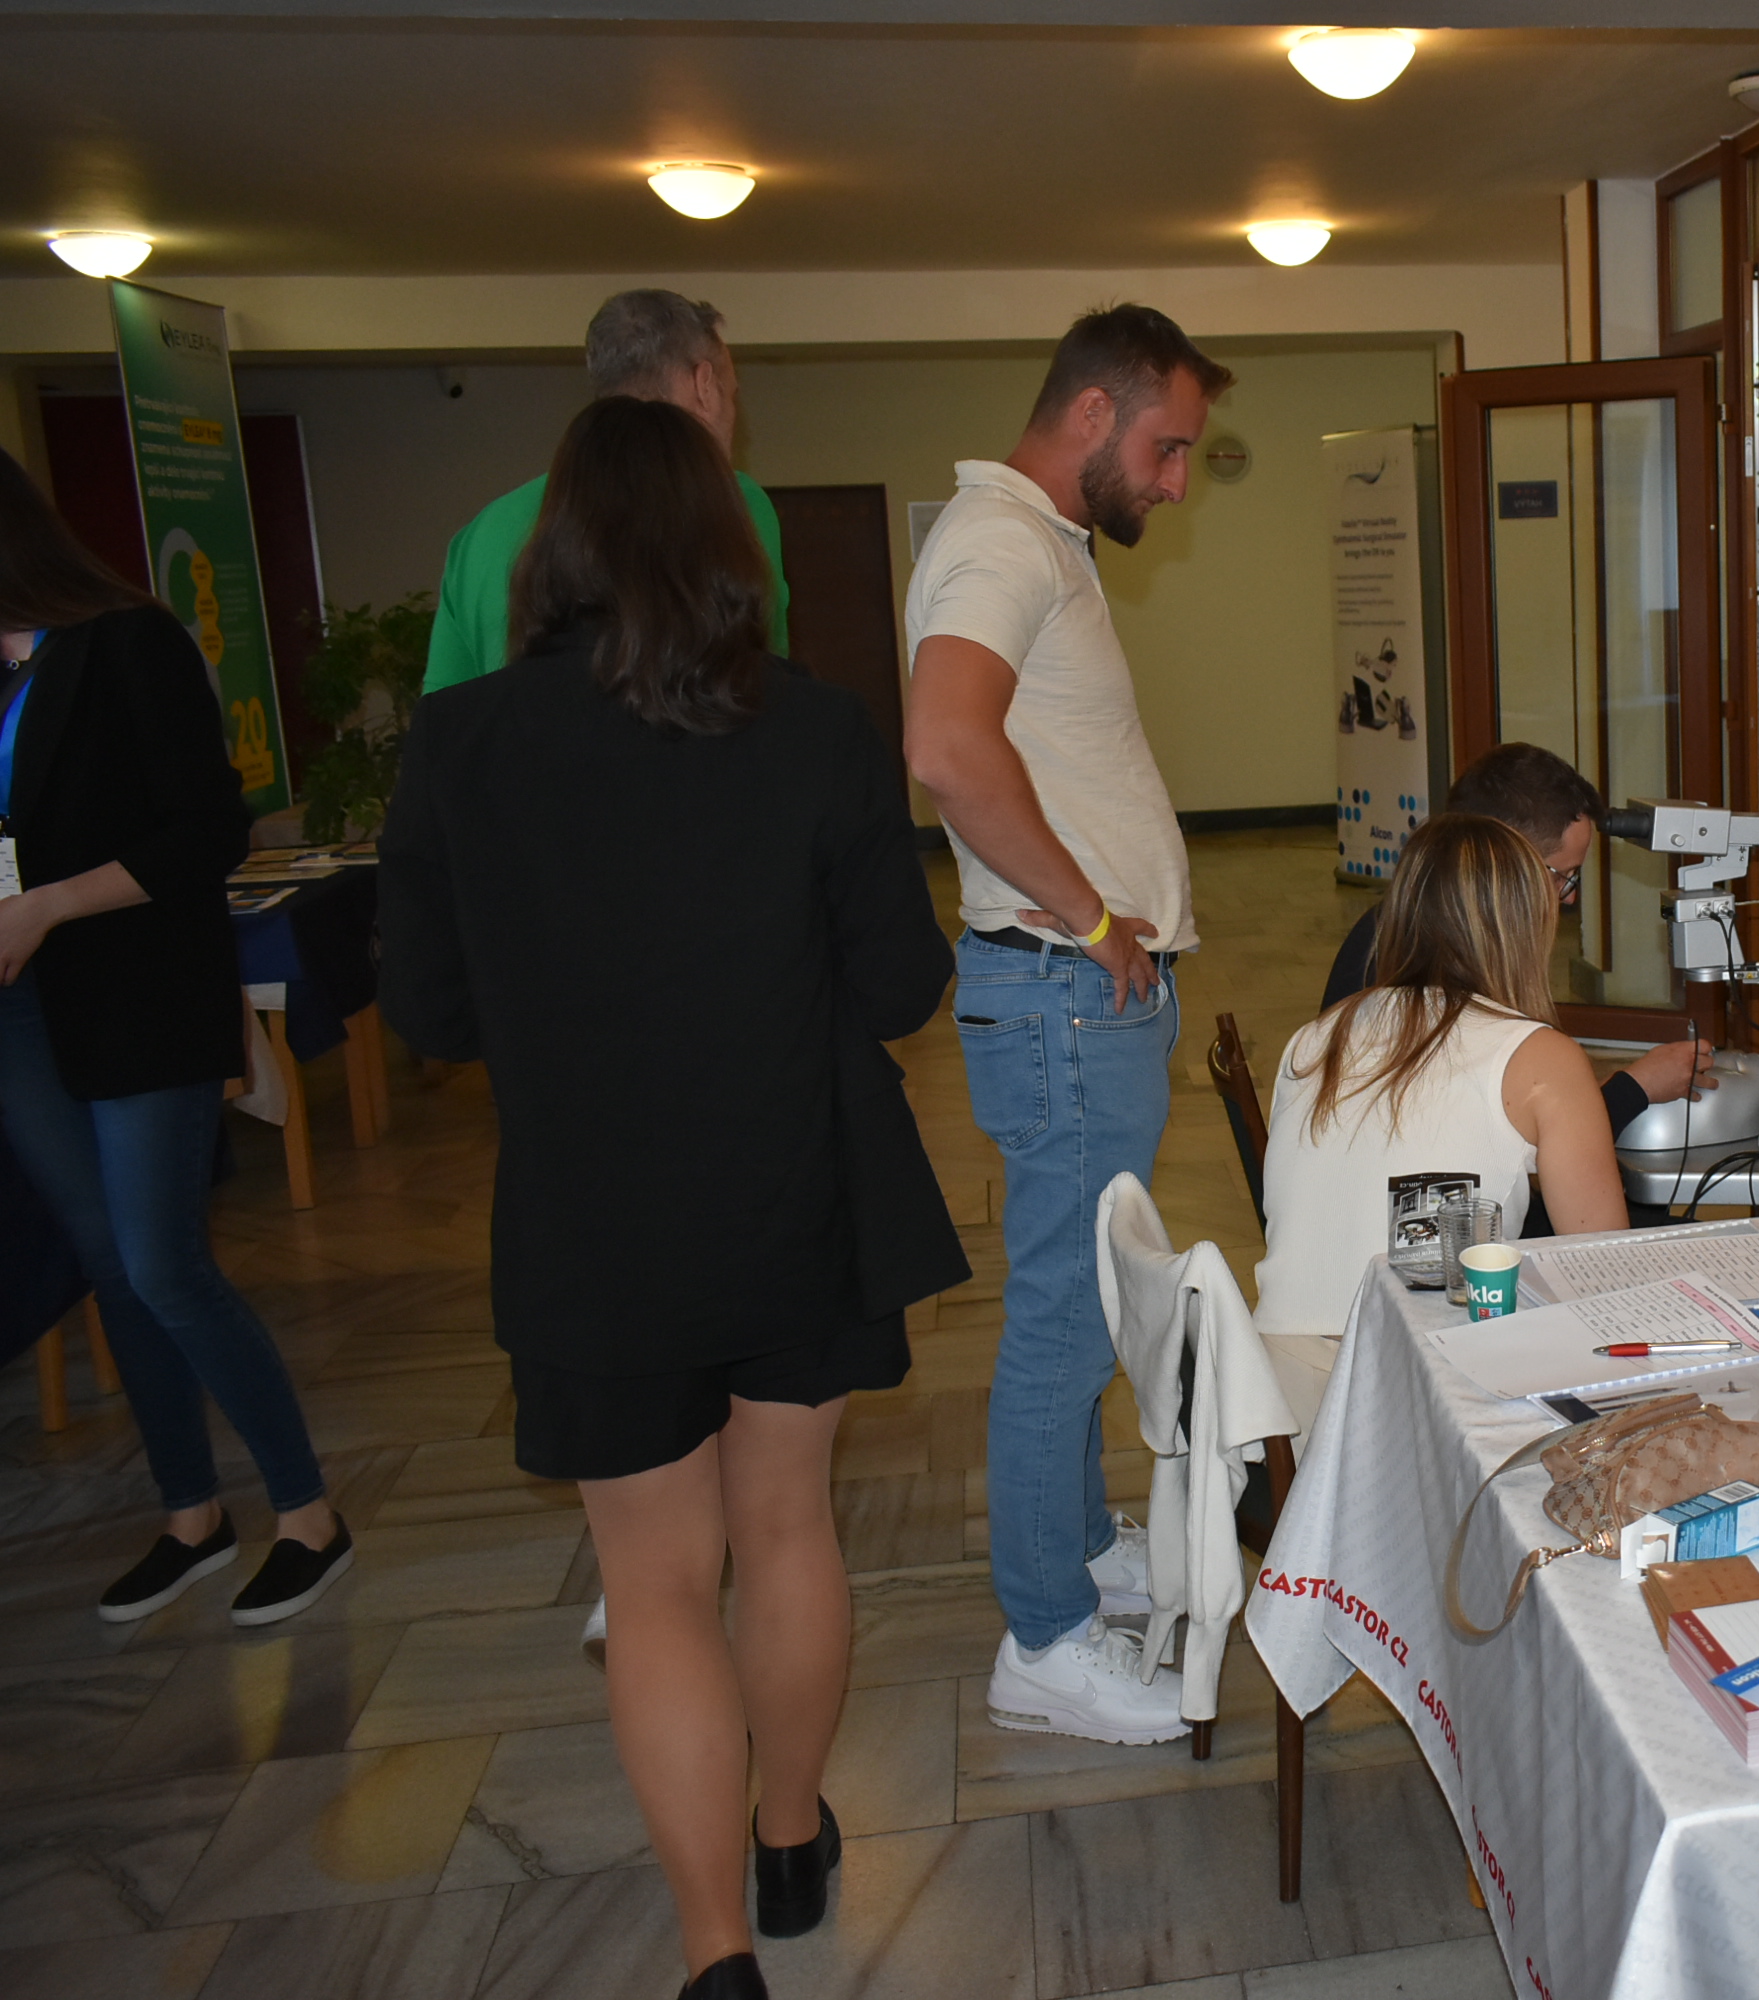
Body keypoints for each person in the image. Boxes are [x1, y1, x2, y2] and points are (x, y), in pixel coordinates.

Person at [379, 397, 960, 2000]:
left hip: (593, 1217)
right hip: (799, 1192)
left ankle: (716, 1954)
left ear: (550, 549)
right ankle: (791, 1839)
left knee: (652, 1584)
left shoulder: (464, 741)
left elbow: (429, 1012)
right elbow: (901, 985)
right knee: (785, 1527)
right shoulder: (818, 729)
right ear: (727, 548)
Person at [903, 303, 1229, 1748]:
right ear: (1092, 412)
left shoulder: (1044, 545)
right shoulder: (1001, 540)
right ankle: (1042, 1637)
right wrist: (1096, 923)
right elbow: (944, 746)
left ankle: (1080, 1543)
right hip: (1062, 990)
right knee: (1059, 1320)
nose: (1177, 481)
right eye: (1167, 447)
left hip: (1079, 996)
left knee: (1087, 1301)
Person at [0, 448, 349, 1629]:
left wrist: (48, 905)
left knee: (162, 1262)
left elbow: (207, 828)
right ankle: (190, 1514)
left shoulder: (124, 640)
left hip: (136, 988)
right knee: (108, 1262)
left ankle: (308, 1513)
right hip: (23, 1006)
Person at [1255, 814, 1630, 1433]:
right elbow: (1602, 1272)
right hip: (1413, 1401)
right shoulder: (1540, 1058)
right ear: (1524, 925)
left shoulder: (1317, 1036)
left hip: (1277, 1398)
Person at [1319, 742, 1714, 1234]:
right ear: (1506, 863)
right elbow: (1583, 1227)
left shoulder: (1387, 940)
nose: (1567, 900)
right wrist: (1632, 1090)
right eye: (1563, 877)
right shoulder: (1438, 975)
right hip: (1428, 1239)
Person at [421, 288, 790, 694]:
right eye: (731, 394)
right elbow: (764, 688)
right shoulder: (734, 502)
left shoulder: (483, 533)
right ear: (704, 385)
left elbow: (444, 711)